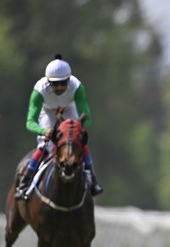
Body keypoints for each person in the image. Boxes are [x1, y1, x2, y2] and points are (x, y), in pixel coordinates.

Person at [14, 54, 103, 200]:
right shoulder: (39, 90)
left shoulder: (77, 87)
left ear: (69, 80)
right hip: (47, 111)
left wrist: (79, 128)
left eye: (63, 83)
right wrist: (44, 131)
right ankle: (25, 183)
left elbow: (86, 116)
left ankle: (92, 180)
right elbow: (30, 122)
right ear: (48, 82)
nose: (60, 87)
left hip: (69, 108)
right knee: (45, 146)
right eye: (55, 84)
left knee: (77, 142)